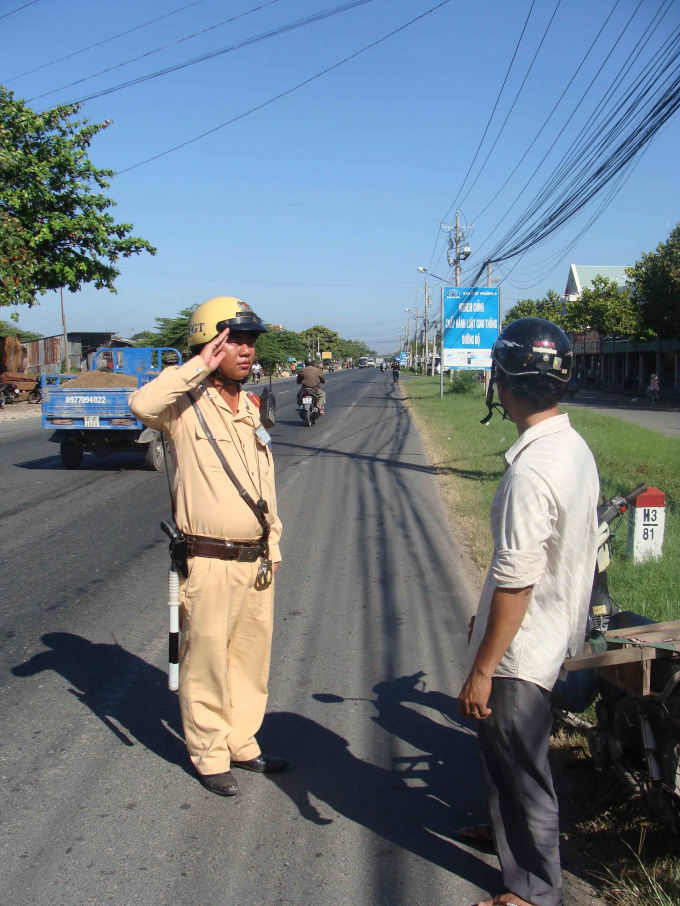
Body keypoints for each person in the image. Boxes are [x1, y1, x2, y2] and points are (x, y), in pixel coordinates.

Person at [459, 318, 599, 906]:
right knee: (505, 756)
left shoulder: (531, 469)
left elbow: (518, 580)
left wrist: (484, 667)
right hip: (549, 626)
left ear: (503, 383)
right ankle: (505, 836)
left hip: (523, 647)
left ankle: (535, 890)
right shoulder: (571, 446)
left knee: (521, 767)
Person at [129, 296, 285, 798]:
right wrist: (198, 364)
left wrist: (273, 544)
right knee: (206, 661)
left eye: (249, 342)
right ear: (207, 343)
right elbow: (141, 406)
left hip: (255, 559)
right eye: (233, 341)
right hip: (208, 558)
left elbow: (264, 484)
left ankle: (242, 740)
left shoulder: (251, 408)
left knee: (250, 659)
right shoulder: (183, 405)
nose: (245, 350)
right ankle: (210, 753)